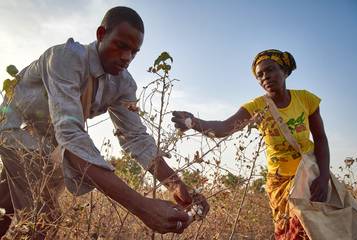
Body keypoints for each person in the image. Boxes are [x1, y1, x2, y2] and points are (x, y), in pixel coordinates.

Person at [0, 6, 209, 238]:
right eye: (120, 45)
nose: (126, 57)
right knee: (43, 220)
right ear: (101, 35)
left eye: (134, 52)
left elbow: (136, 138)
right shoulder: (65, 58)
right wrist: (141, 206)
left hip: (49, 145)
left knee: (5, 207)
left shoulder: (123, 84)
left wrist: (174, 184)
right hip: (14, 131)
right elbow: (69, 134)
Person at [172, 49, 329, 239]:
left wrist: (324, 176)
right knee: (292, 233)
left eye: (270, 70)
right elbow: (223, 128)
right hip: (280, 183)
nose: (265, 77)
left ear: (284, 71)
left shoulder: (305, 99)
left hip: (309, 176)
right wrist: (194, 122)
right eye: (260, 75)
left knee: (321, 230)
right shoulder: (256, 107)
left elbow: (320, 138)